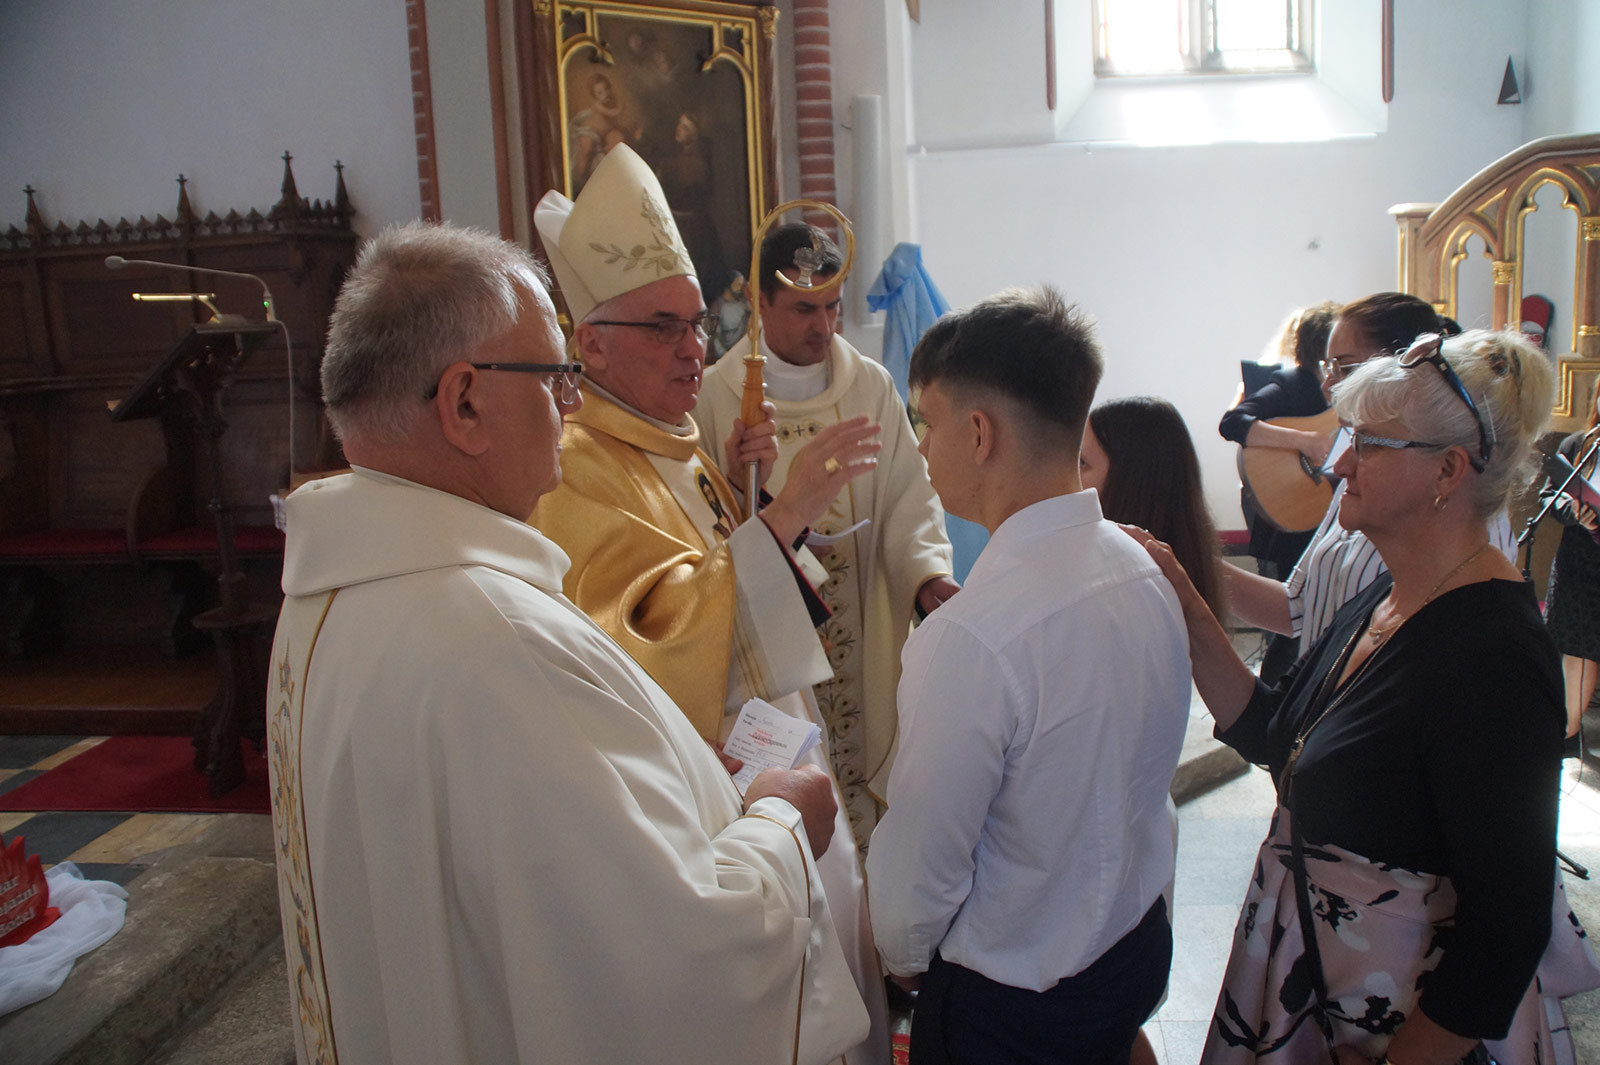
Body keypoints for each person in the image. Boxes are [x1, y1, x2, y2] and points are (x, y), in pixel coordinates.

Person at [265, 221, 869, 1065]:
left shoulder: (324, 602)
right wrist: (783, 818)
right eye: (555, 378)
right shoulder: (500, 642)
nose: (573, 405)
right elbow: (683, 961)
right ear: (464, 402)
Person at [1131, 329, 1600, 1065]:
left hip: (1392, 1024)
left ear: (1448, 470)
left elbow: (1507, 926)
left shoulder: (1494, 656)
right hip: (1315, 979)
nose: (1340, 461)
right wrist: (1189, 602)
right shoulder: (1388, 594)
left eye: (1370, 445)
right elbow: (1279, 737)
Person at [531, 145, 890, 1065]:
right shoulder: (573, 467)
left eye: (695, 322)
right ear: (591, 342)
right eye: (663, 327)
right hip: (719, 802)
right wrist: (788, 514)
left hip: (777, 762)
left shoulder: (672, 439)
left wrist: (766, 515)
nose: (694, 347)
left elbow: (719, 570)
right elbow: (644, 651)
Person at [866, 286, 1193, 1065]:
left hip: (1014, 1008)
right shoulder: (1142, 569)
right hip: (1134, 947)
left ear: (979, 433)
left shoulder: (972, 638)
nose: (922, 449)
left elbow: (918, 876)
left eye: (928, 423)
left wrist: (906, 960)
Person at [698, 222, 957, 846]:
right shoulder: (715, 397)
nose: (824, 326)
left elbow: (909, 499)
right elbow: (700, 526)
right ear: (759, 303)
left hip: (860, 620)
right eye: (803, 309)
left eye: (833, 307)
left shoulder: (870, 387)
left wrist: (926, 575)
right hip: (771, 649)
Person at [1224, 293, 1518, 660]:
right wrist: (1193, 563)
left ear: (1403, 367)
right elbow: (1299, 607)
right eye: (1327, 367)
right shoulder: (1353, 476)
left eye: (1345, 368)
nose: (1327, 386)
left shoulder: (1464, 506)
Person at [1219, 302, 1340, 578]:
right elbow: (1232, 423)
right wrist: (1304, 441)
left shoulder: (1348, 392)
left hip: (1329, 527)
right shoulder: (1292, 384)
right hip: (1289, 529)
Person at [1084, 395, 1225, 619]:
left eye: (1082, 463)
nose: (1067, 478)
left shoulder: (1126, 589)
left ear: (1131, 481)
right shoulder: (1191, 561)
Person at [1540, 376, 1600, 749]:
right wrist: (1572, 511)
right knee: (1576, 647)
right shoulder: (1579, 444)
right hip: (1577, 563)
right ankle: (1567, 734)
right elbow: (1550, 496)